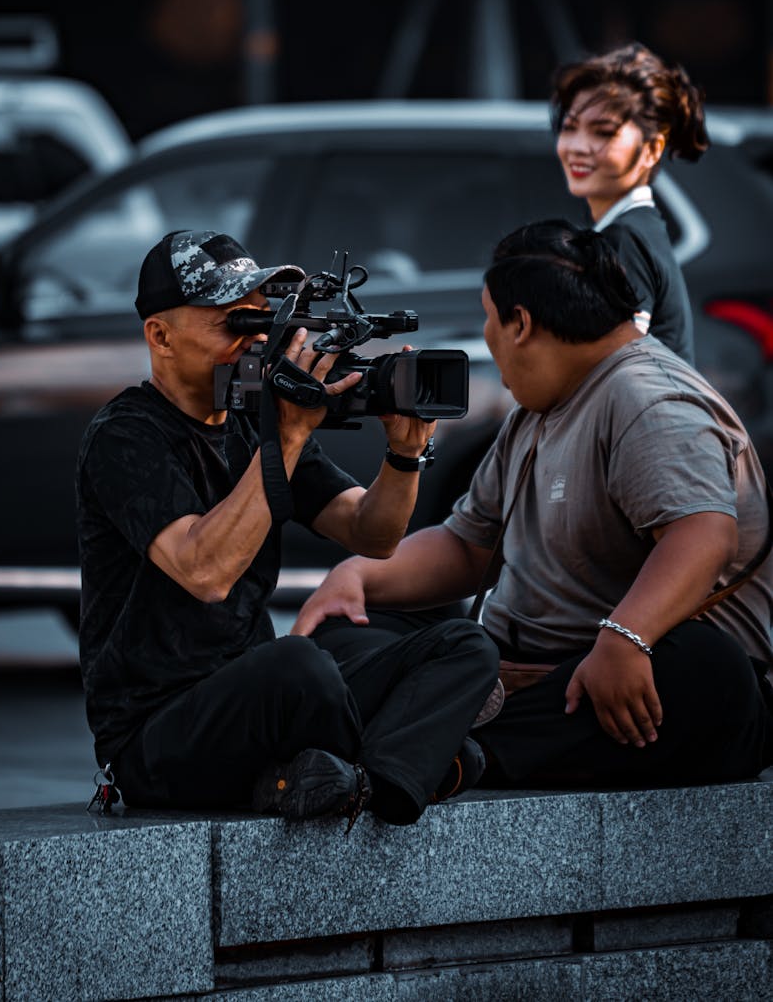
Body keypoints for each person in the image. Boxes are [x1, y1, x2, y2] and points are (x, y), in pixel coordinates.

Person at [294, 221, 773, 789]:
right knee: (350, 627)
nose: (487, 337)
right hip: (505, 678)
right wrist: (358, 577)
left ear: (520, 323)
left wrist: (626, 638)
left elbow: (703, 535)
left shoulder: (649, 399)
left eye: (489, 320)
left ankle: (454, 755)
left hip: (611, 684)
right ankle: (424, 737)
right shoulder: (538, 407)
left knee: (705, 671)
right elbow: (469, 546)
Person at [76, 228, 499, 827]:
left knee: (461, 642)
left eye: (262, 322)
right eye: (234, 326)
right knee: (298, 665)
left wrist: (403, 457)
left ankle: (369, 781)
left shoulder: (254, 422)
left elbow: (371, 534)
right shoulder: (126, 434)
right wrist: (291, 434)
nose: (256, 343)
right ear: (160, 336)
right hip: (158, 733)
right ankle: (419, 764)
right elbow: (206, 572)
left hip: (261, 703)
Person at [552, 41, 709, 363]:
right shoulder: (637, 229)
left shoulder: (624, 239)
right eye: (570, 128)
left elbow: (618, 370)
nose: (578, 146)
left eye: (604, 133)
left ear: (651, 150)